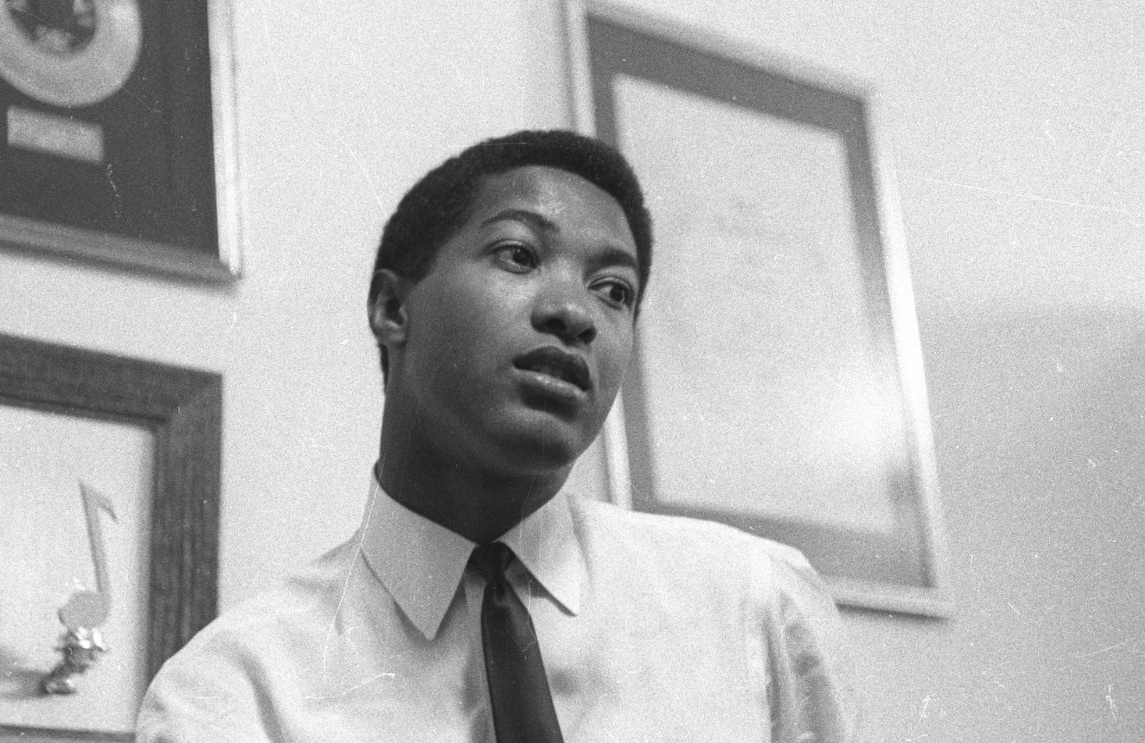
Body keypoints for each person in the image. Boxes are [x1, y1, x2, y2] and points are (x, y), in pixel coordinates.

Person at [137, 130, 860, 741]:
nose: (575, 312)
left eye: (614, 290)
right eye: (518, 255)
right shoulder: (235, 690)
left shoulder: (753, 603)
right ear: (393, 306)